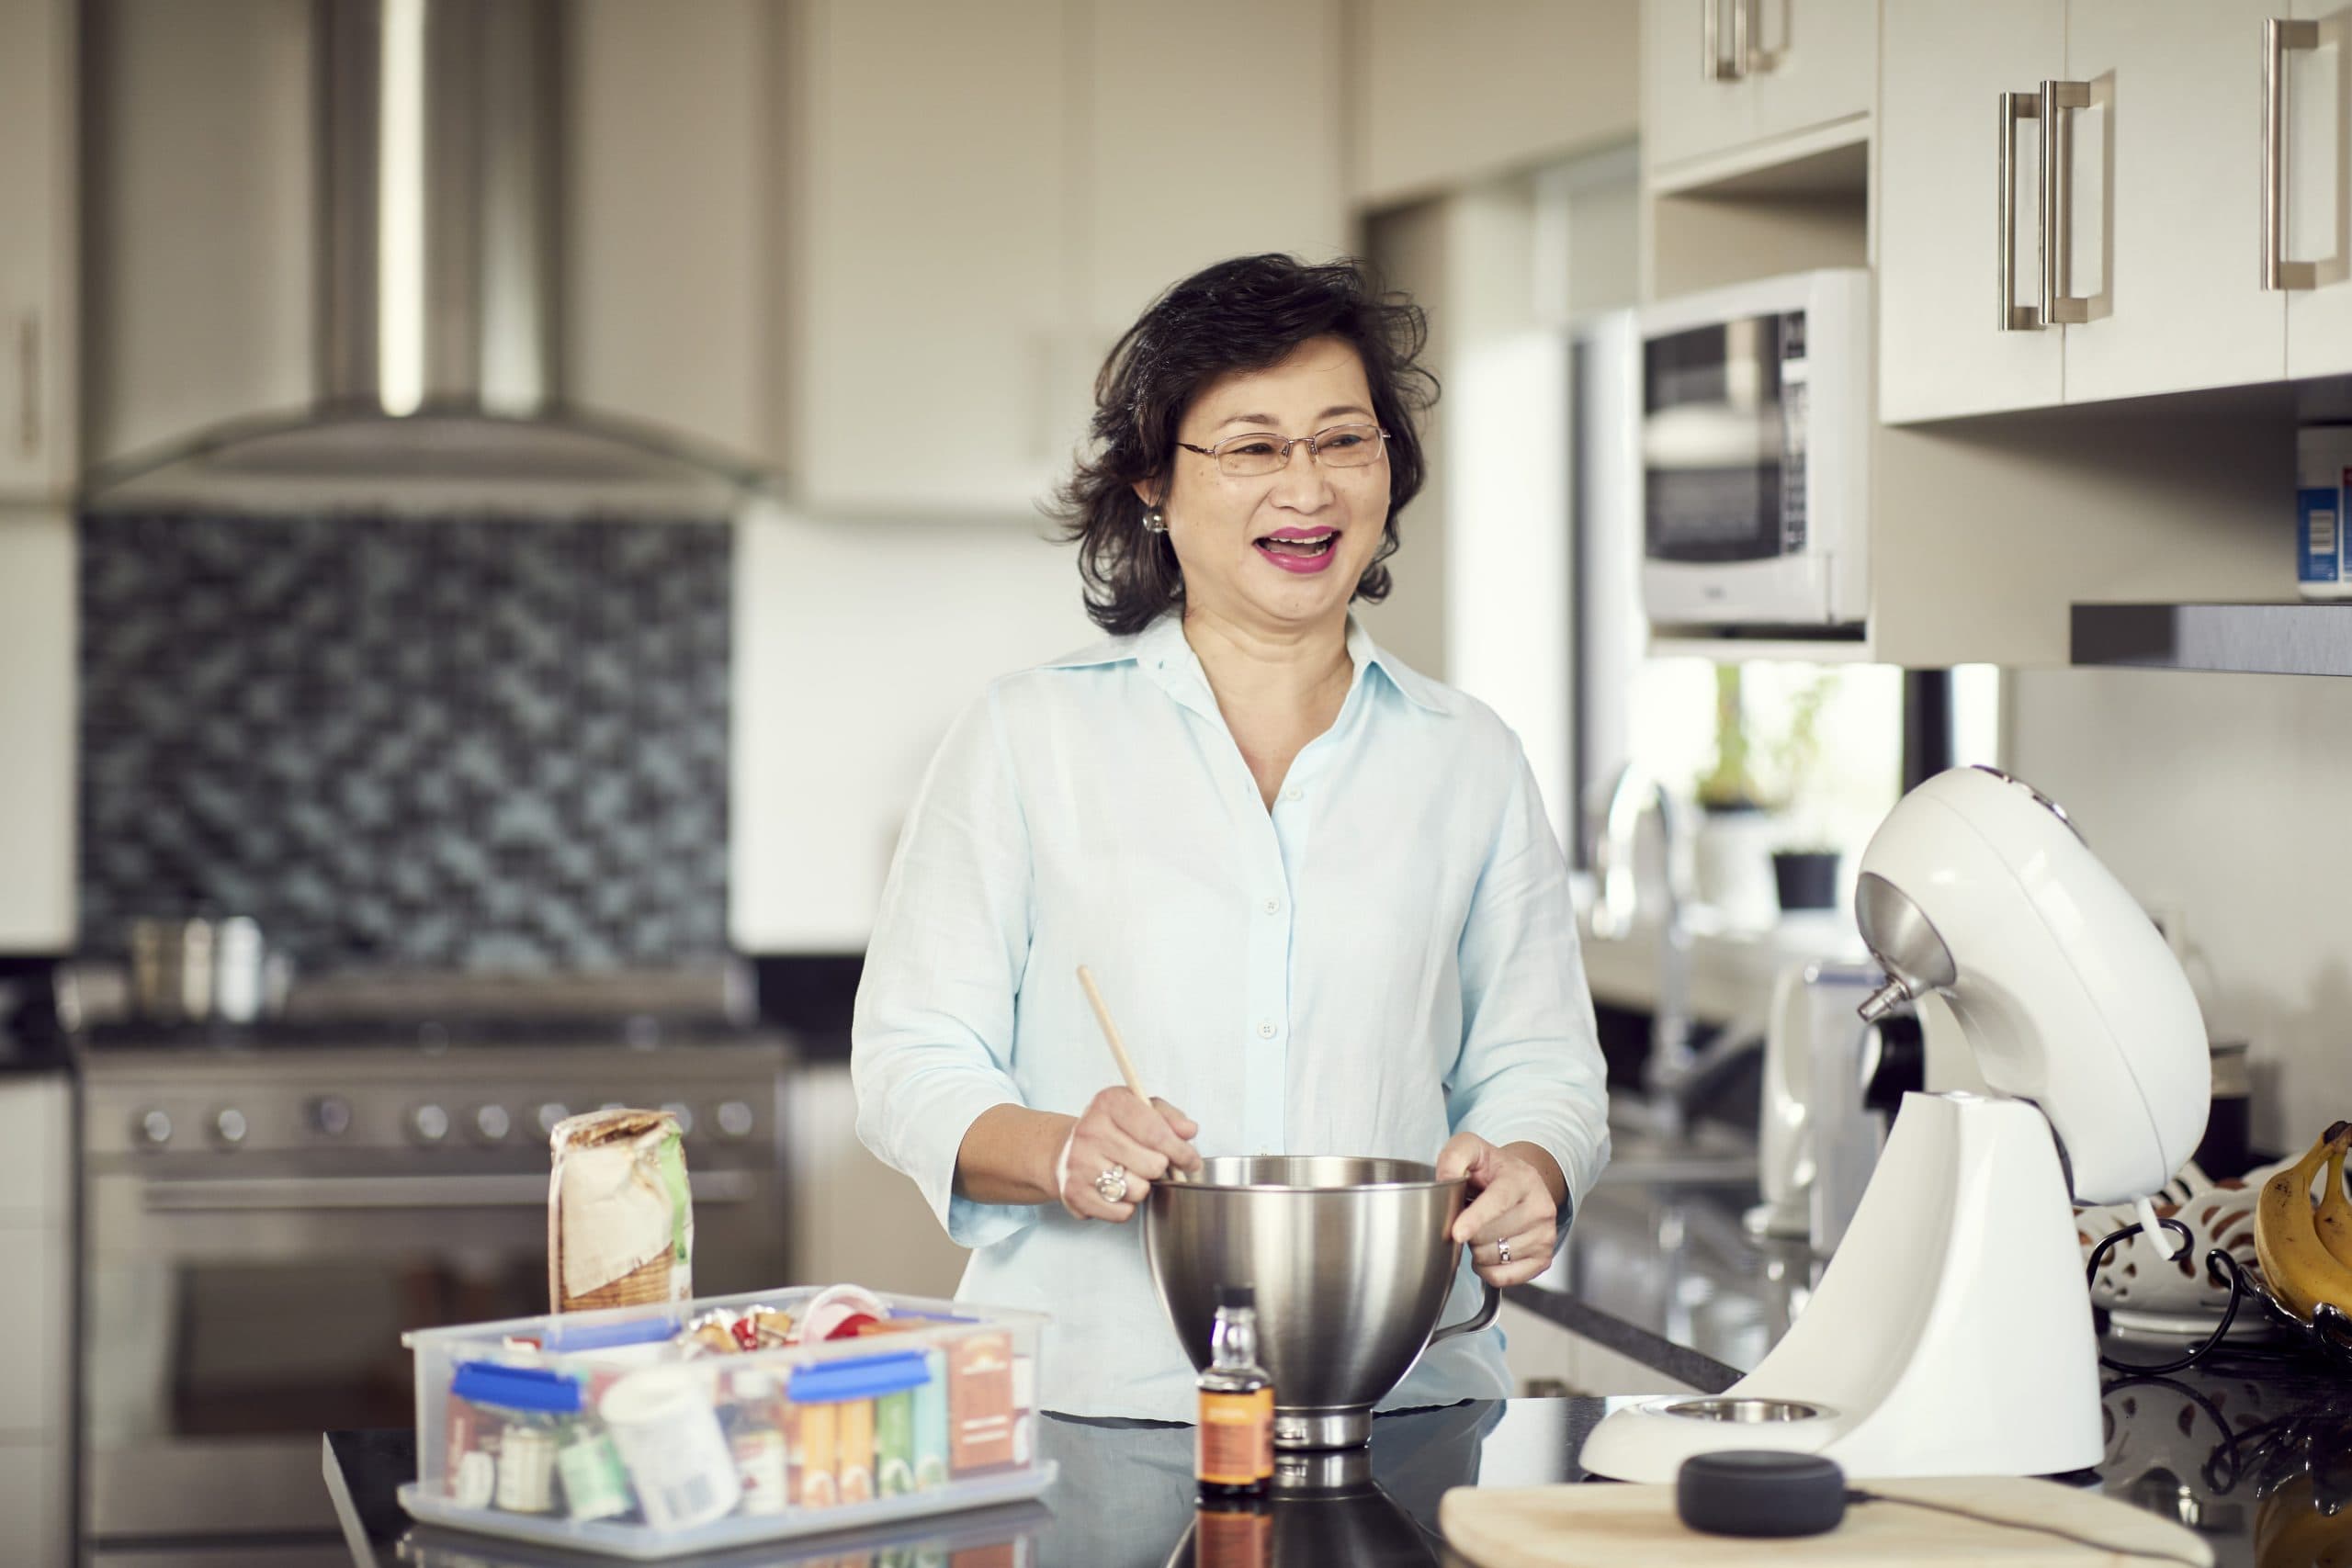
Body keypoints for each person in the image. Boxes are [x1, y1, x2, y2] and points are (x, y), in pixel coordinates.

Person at [853, 254, 1610, 1421]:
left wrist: (1531, 1167)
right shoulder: (1027, 735)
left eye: (1343, 441)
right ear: (1153, 480)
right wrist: (1060, 1148)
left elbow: (1541, 1064)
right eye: (1253, 447)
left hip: (1402, 1402)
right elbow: (909, 1060)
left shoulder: (1470, 758)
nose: (1305, 490)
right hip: (1096, 1400)